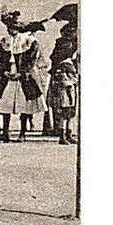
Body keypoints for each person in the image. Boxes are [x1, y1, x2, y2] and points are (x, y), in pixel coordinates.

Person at [0, 11, 43, 143]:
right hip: (8, 77)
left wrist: (22, 73)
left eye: (14, 27)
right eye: (9, 27)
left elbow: (32, 61)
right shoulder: (4, 41)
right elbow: (0, 59)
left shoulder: (29, 41)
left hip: (23, 77)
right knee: (4, 105)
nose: (11, 29)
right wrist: (3, 71)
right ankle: (6, 132)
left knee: (24, 106)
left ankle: (22, 132)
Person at [46, 9, 78, 145]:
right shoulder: (66, 44)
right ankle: (63, 134)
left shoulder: (72, 43)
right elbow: (58, 58)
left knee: (70, 107)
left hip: (70, 77)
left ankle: (68, 133)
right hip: (64, 77)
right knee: (64, 106)